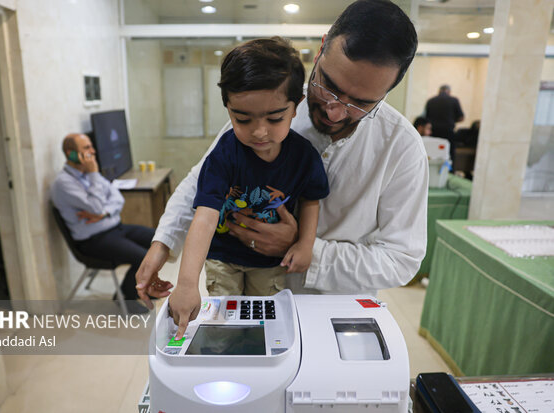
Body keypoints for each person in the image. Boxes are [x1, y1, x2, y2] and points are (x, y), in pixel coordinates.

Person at [136, 0, 428, 305]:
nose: (335, 112)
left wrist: (307, 250)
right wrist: (163, 244)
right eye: (327, 86)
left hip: (330, 308)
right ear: (320, 50)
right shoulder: (272, 107)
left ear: (388, 90)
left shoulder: (401, 148)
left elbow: (401, 260)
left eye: (361, 103)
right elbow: (202, 184)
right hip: (245, 292)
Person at [168, 38, 329, 337]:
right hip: (222, 258)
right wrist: (187, 284)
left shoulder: (304, 156)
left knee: (263, 326)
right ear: (228, 108)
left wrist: (305, 244)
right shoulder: (223, 155)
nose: (259, 131)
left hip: (269, 262)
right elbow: (204, 216)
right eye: (242, 119)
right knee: (224, 327)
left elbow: (311, 200)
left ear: (296, 107)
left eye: (274, 118)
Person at [50, 133, 172, 313]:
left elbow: (117, 198)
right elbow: (96, 206)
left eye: (91, 146)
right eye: (86, 148)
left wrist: (104, 213)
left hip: (114, 228)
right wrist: (94, 177)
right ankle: (125, 296)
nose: (93, 151)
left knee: (158, 239)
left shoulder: (89, 175)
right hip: (93, 240)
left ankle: (142, 287)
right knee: (142, 256)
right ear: (71, 154)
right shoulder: (64, 183)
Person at [425, 85, 464, 165]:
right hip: (448, 132)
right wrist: (452, 120)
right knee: (449, 154)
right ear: (449, 92)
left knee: (433, 153)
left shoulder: (431, 101)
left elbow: (426, 118)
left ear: (439, 91)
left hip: (433, 132)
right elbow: (461, 117)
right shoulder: (454, 100)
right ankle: (449, 172)